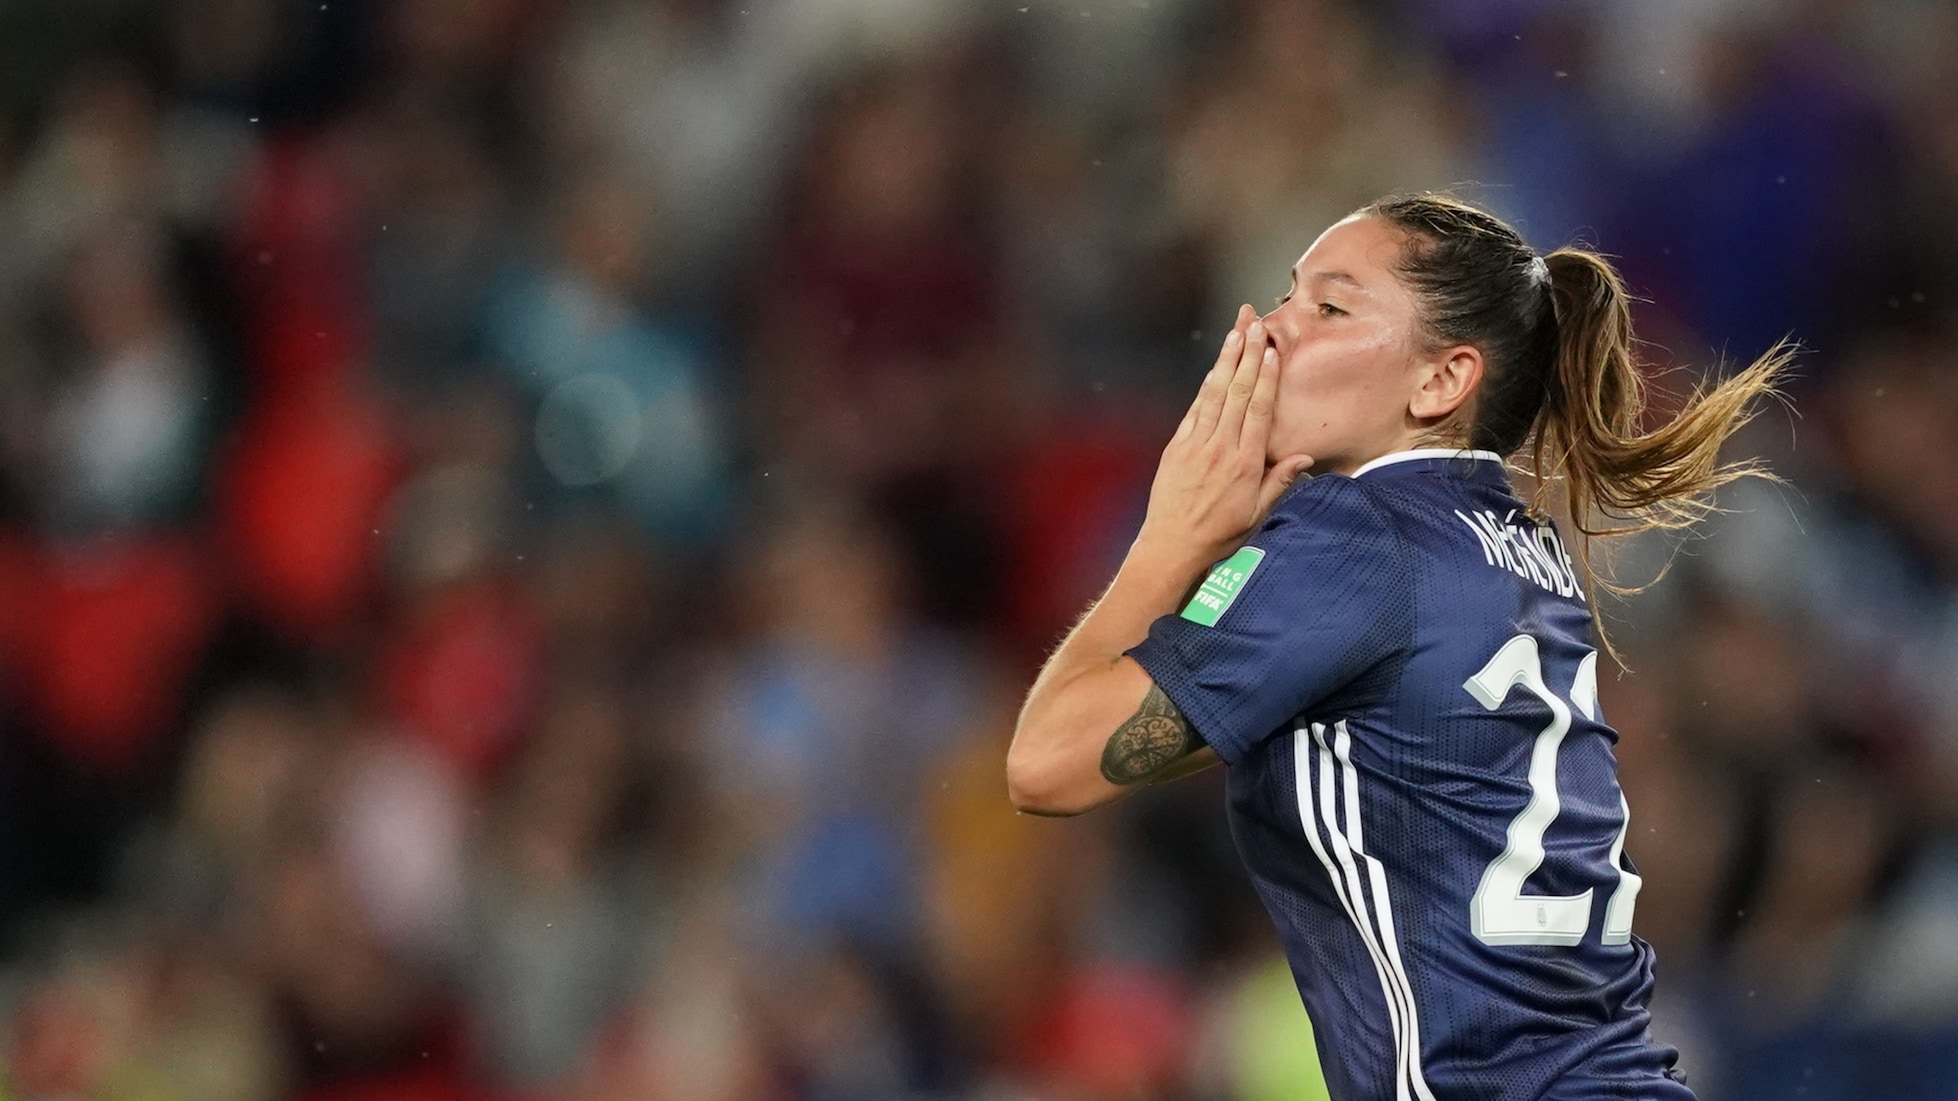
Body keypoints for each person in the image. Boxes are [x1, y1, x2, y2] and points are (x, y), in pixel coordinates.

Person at [1006, 194, 1790, 1100]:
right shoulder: (1512, 540)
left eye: (1330, 308)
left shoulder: (1350, 539)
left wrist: (1170, 538)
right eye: (1288, 293)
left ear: (1441, 381)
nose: (1269, 328)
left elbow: (1047, 762)